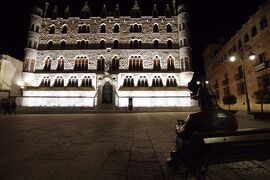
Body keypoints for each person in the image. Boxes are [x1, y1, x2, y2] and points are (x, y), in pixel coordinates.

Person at [167, 85, 238, 165]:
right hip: (228, 151)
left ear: (202, 101)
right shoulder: (230, 115)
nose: (199, 103)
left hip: (201, 152)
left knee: (179, 139)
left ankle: (176, 159)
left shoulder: (195, 117)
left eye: (199, 100)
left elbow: (183, 134)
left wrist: (178, 126)